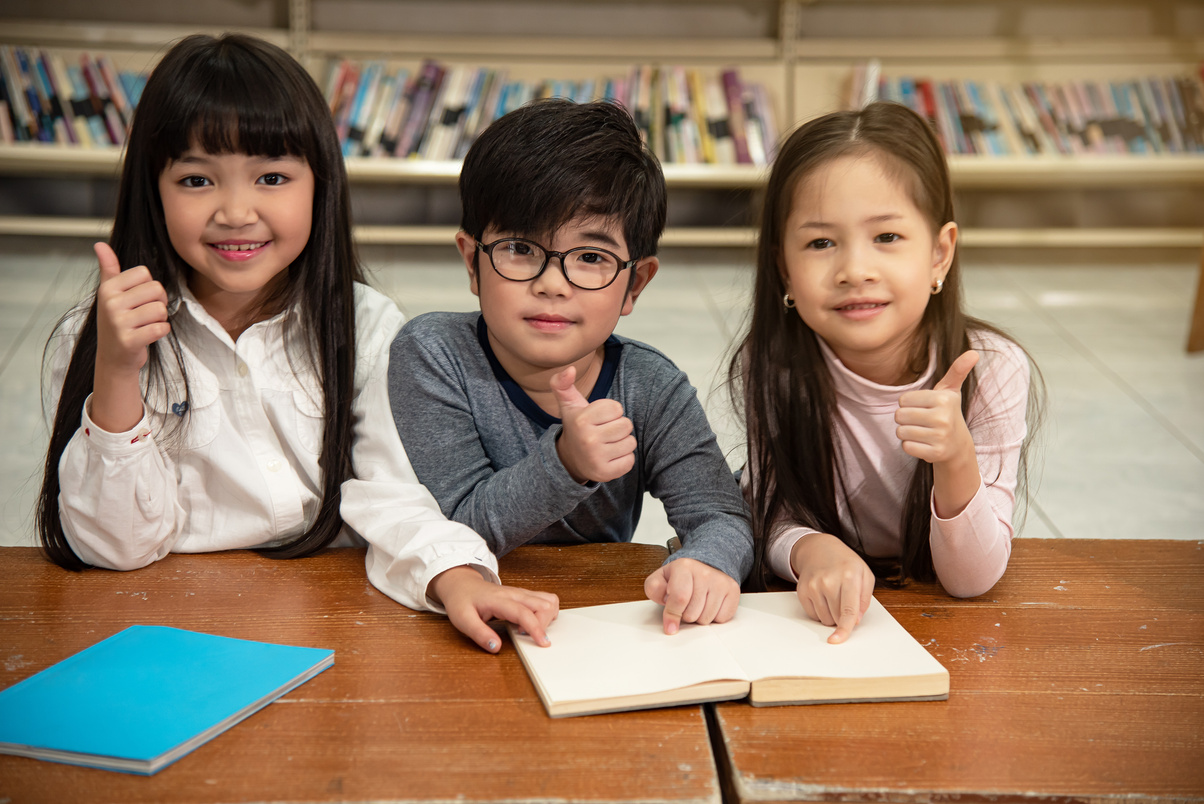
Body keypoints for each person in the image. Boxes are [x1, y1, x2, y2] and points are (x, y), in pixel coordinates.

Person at [36, 33, 556, 653]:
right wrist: (118, 371)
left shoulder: (365, 323)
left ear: (321, 186)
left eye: (272, 177)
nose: (235, 211)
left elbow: (392, 492)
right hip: (166, 629)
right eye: (197, 180)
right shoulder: (97, 337)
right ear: (153, 190)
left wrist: (456, 576)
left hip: (336, 626)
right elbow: (115, 549)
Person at [388, 99, 753, 635]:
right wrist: (566, 462)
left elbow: (720, 514)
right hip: (450, 620)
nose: (552, 283)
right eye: (519, 247)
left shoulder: (650, 385)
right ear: (472, 261)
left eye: (590, 257)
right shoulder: (433, 354)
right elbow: (453, 525)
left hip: (591, 627)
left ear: (636, 284)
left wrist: (705, 563)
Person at [730, 101, 1043, 644]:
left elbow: (972, 581)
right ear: (784, 266)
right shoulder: (775, 363)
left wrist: (956, 458)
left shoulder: (991, 369)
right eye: (821, 242)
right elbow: (768, 516)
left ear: (940, 254)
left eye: (887, 238)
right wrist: (810, 548)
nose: (855, 270)